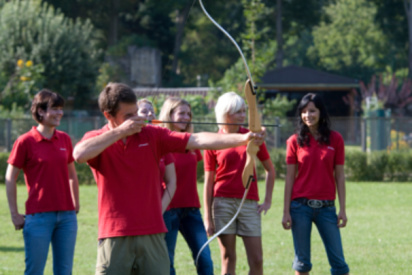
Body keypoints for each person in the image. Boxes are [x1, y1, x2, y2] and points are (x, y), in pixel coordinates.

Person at [73, 82, 266, 275]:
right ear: (108, 115)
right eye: (128, 116)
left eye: (136, 113)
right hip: (114, 234)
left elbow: (197, 140)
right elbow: (79, 154)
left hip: (153, 232)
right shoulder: (97, 137)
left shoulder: (152, 135)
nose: (136, 119)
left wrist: (244, 139)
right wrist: (121, 131)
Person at [5, 89, 80, 275]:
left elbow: (72, 174)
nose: (59, 113)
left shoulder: (64, 139)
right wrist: (14, 214)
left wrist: (75, 204)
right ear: (40, 111)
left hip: (67, 218)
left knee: (64, 271)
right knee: (34, 271)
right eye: (54, 108)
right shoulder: (25, 142)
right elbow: (10, 178)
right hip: (38, 217)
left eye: (61, 109)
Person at [203, 92, 276, 275]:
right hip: (222, 203)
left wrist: (267, 200)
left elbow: (270, 169)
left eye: (244, 111)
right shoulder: (214, 140)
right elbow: (209, 180)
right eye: (238, 112)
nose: (243, 116)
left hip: (248, 202)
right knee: (228, 258)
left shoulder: (253, 137)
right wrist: (207, 217)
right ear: (225, 113)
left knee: (257, 260)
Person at [281, 93, 350, 275]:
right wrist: (286, 211)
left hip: (327, 209)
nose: (308, 115)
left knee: (340, 266)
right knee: (302, 264)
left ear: (320, 112)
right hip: (299, 208)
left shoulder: (336, 139)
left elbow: (340, 176)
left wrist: (342, 209)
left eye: (312, 111)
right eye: (304, 112)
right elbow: (289, 178)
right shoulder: (293, 141)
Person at [158, 97, 213, 275]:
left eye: (188, 114)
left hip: (191, 209)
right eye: (181, 113)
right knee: (167, 262)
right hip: (168, 210)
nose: (186, 117)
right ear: (169, 114)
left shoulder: (192, 143)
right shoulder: (160, 142)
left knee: (204, 258)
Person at [137, 98, 176, 213]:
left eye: (152, 112)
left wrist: (160, 209)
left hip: (160, 211)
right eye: (144, 111)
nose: (150, 114)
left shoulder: (160, 142)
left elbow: (171, 181)